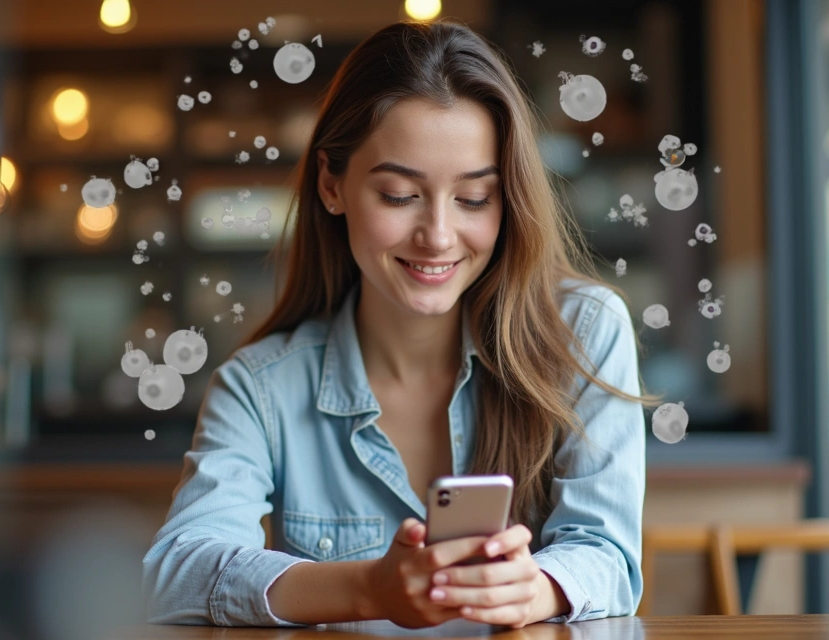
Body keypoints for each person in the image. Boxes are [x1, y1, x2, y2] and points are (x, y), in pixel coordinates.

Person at [144, 19, 650, 629]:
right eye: (398, 195)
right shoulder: (261, 387)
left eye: (473, 199)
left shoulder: (584, 333)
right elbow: (178, 571)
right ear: (333, 185)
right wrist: (369, 589)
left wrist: (537, 586)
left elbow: (609, 557)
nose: (437, 236)